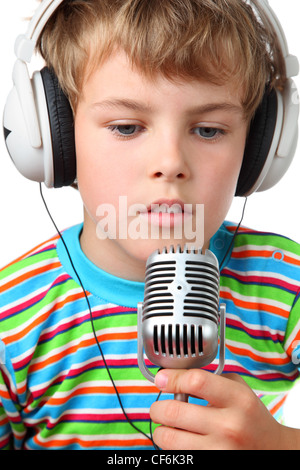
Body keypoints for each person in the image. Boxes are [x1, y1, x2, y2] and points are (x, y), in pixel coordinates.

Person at [1, 0, 300, 450]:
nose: (170, 163)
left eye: (208, 130)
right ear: (51, 139)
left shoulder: (284, 282)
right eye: (125, 127)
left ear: (261, 146)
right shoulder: (12, 320)